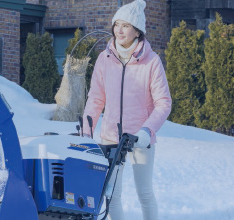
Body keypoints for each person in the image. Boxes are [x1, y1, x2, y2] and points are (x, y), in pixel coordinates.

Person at [81, 0, 172, 219]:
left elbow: (164, 103)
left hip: (140, 137)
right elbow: (95, 98)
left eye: (125, 25)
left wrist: (145, 132)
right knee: (112, 195)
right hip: (111, 136)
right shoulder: (105, 58)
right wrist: (86, 132)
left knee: (145, 193)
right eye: (117, 24)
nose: (119, 30)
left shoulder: (151, 61)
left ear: (137, 30)